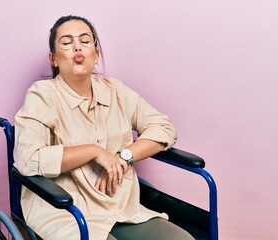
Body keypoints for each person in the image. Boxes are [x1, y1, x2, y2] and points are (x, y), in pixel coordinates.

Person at [13, 15, 194, 240]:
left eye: (85, 41)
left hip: (121, 209)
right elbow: (28, 160)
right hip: (66, 213)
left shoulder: (115, 91)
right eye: (67, 43)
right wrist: (94, 151)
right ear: (54, 59)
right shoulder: (42, 95)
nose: (77, 47)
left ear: (96, 55)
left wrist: (124, 155)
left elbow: (164, 127)